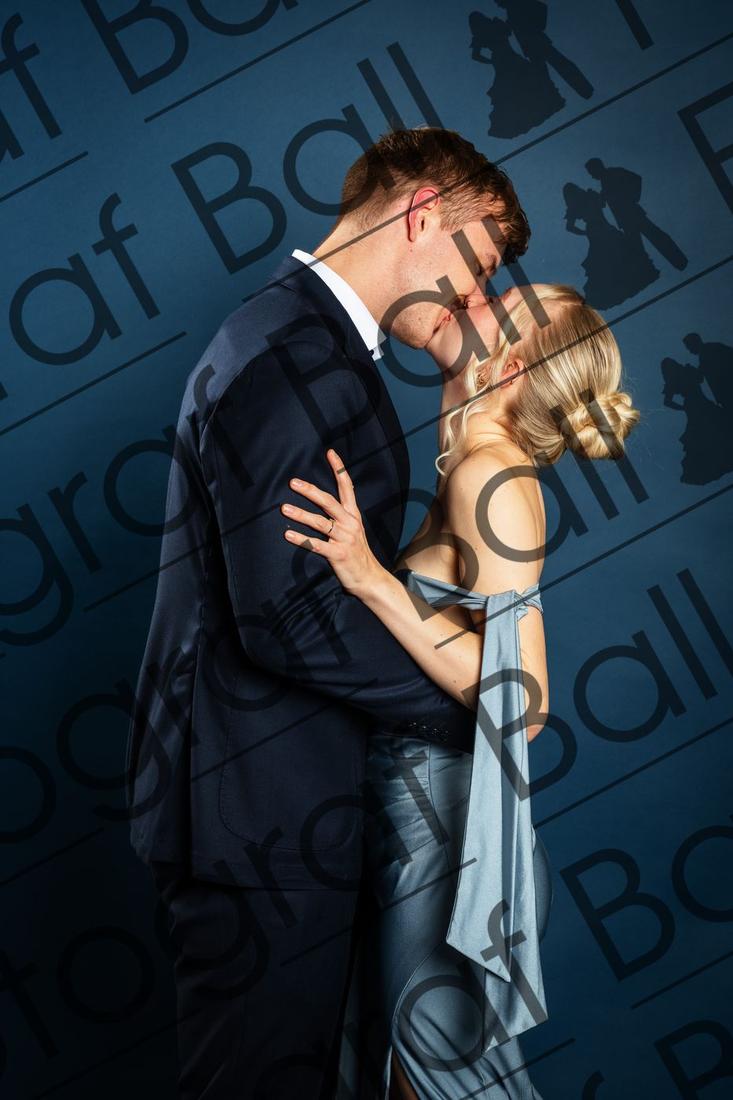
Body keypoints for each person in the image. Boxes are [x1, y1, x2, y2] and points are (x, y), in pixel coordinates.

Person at [125, 127, 531, 1099]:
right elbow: (285, 616)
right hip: (259, 819)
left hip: (271, 807)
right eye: (478, 265)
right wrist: (463, 712)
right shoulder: (295, 357)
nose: (476, 297)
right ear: (422, 212)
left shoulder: (299, 340)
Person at [282, 284, 641, 1097]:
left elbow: (527, 702)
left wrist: (373, 580)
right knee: (404, 1075)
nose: (472, 297)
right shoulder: (472, 466)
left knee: (431, 1078)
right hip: (414, 821)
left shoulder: (491, 477)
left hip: (446, 837)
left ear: (507, 366)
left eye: (496, 305)